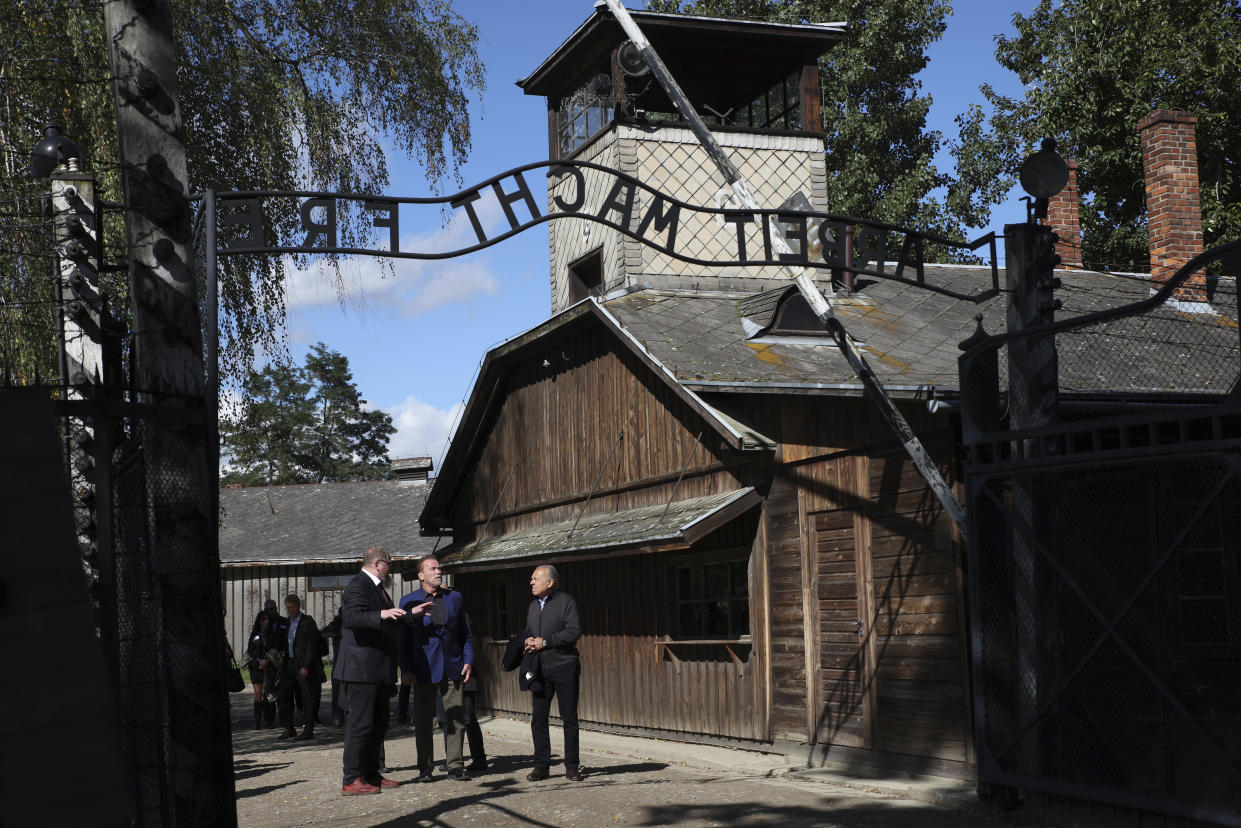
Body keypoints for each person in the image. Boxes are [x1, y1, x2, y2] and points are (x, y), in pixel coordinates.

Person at [335, 546, 425, 795]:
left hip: (377, 670)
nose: (391, 569)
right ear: (377, 564)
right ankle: (351, 778)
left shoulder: (377, 588)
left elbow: (386, 619)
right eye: (389, 564)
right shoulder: (358, 585)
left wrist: (409, 615)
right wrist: (381, 614)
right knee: (360, 725)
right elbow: (352, 618)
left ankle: (372, 773)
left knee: (378, 724)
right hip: (360, 670)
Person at [397, 556, 474, 782]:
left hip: (453, 666)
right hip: (423, 670)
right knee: (423, 720)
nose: (438, 571)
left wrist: (468, 659)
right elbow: (402, 641)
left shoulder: (454, 598)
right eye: (433, 568)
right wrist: (406, 669)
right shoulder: (408, 602)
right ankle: (425, 768)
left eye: (439, 568)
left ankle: (456, 766)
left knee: (456, 718)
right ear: (421, 575)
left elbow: (464, 633)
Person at [524, 564, 583, 782]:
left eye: (535, 578)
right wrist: (528, 641)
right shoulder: (532, 606)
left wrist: (546, 642)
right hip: (539, 669)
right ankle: (541, 766)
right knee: (538, 719)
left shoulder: (566, 602)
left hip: (564, 667)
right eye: (531, 579)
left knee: (569, 718)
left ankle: (572, 767)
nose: (531, 582)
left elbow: (573, 632)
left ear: (550, 582)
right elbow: (531, 633)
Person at [276, 594, 326, 740]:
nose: (290, 610)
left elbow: (312, 645)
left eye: (293, 607)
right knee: (284, 694)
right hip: (289, 663)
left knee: (306, 697)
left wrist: (306, 666)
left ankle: (308, 729)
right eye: (288, 608)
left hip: (303, 664)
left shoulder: (307, 622)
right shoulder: (288, 622)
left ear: (298, 606)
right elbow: (288, 642)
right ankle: (289, 728)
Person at [245, 611, 278, 729]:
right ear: (260, 621)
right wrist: (259, 661)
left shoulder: (272, 634)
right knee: (258, 693)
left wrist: (267, 661)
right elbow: (250, 651)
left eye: (268, 619)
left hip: (268, 666)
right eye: (264, 619)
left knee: (267, 693)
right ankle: (257, 721)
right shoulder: (254, 635)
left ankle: (268, 720)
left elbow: (275, 649)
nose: (267, 621)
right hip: (256, 667)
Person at [322, 609, 345, 727]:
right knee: (340, 691)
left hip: (340, 662)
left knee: (338, 691)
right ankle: (339, 716)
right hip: (345, 662)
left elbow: (323, 633)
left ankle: (338, 717)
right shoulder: (339, 623)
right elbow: (323, 634)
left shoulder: (337, 623)